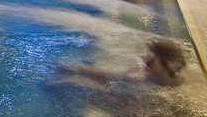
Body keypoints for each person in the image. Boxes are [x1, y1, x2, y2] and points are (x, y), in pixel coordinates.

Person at [55, 39, 186, 87]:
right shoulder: (148, 76)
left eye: (152, 59)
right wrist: (73, 68)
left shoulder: (169, 93)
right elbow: (108, 75)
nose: (146, 60)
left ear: (166, 68)